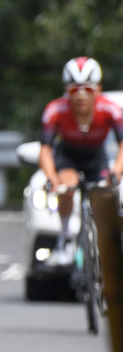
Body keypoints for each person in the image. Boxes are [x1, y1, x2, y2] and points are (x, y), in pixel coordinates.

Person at [38, 56, 123, 264]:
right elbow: (45, 150)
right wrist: (51, 178)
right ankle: (66, 238)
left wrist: (117, 171)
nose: (81, 96)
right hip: (69, 157)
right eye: (75, 90)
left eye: (88, 89)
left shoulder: (110, 109)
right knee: (67, 186)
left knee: (106, 194)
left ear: (98, 89)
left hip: (97, 158)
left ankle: (106, 245)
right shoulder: (55, 110)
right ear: (67, 91)